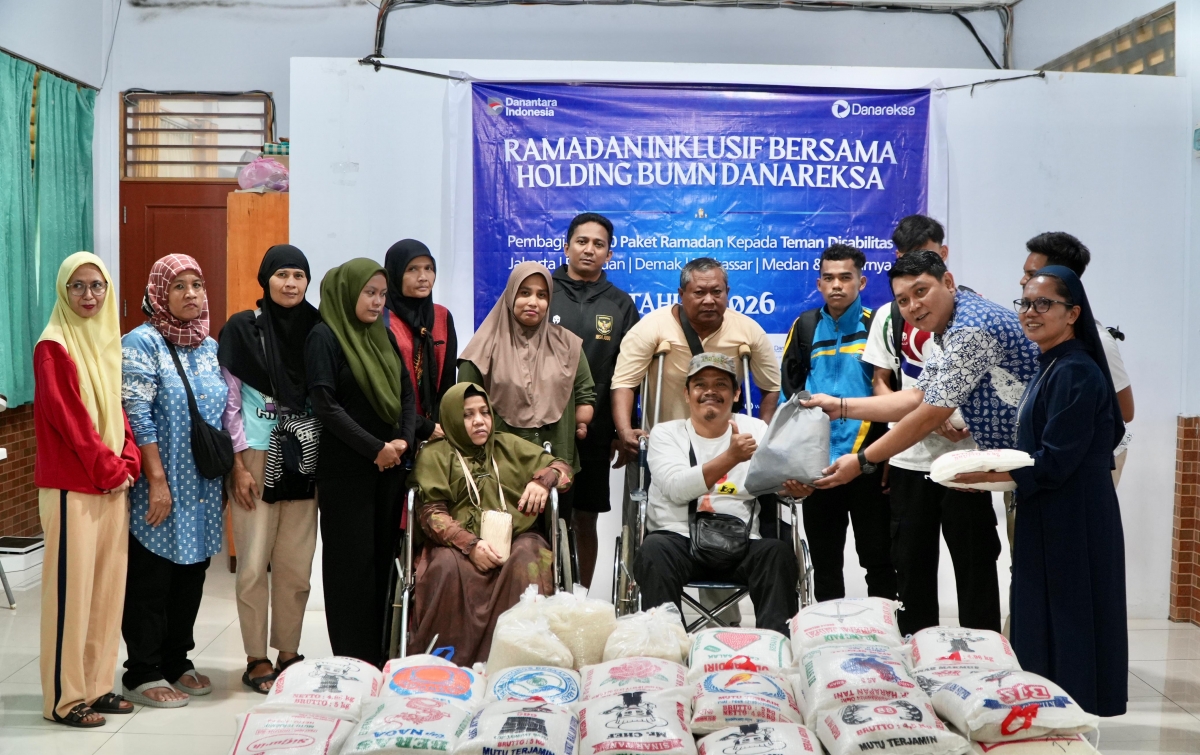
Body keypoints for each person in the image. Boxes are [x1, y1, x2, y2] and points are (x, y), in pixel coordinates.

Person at [951, 267, 1127, 717]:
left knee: (1069, 618)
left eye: (1043, 303)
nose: (1030, 313)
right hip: (1049, 509)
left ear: (1073, 313)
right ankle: (1044, 713)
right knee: (1040, 616)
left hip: (1074, 517)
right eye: (1025, 303)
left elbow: (1056, 459)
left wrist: (986, 475)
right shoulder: (1051, 364)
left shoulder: (1077, 371)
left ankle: (1068, 715)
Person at [612, 257, 782, 624]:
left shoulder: (747, 331)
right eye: (699, 292)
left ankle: (769, 649)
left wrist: (762, 441)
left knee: (775, 551)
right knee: (654, 542)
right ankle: (662, 641)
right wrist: (626, 430)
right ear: (682, 293)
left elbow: (770, 387)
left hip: (735, 526)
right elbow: (624, 382)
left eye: (716, 292)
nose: (708, 299)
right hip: (669, 445)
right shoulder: (651, 328)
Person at [860, 215, 998, 636]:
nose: (915, 301)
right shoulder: (890, 316)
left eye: (928, 259)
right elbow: (884, 382)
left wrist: (946, 417)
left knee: (976, 564)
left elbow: (981, 387)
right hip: (910, 462)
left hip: (968, 460)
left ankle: (984, 653)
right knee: (913, 566)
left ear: (945, 261)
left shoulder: (971, 314)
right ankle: (920, 653)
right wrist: (924, 422)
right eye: (907, 262)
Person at [807, 250, 1040, 495]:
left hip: (1045, 462)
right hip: (1026, 466)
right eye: (903, 301)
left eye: (921, 291)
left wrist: (863, 460)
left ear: (948, 282)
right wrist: (839, 406)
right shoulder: (948, 324)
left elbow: (931, 414)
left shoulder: (970, 328)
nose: (914, 306)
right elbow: (918, 396)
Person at [35, 253, 141, 727]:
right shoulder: (53, 346)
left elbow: (116, 411)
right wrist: (108, 467)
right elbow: (71, 422)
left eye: (96, 286)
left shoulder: (104, 341)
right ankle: (64, 698)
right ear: (63, 291)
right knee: (70, 596)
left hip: (110, 482)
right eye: (77, 287)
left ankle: (97, 687)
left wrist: (128, 459)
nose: (89, 296)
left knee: (105, 592)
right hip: (72, 485)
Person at [634, 353, 810, 634]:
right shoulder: (666, 433)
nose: (710, 392)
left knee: (776, 553)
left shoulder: (757, 429)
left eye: (721, 385)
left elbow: (778, 482)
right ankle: (667, 648)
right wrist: (730, 457)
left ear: (737, 392)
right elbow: (678, 490)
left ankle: (774, 650)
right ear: (687, 393)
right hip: (678, 540)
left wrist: (797, 490)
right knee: (653, 551)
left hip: (740, 542)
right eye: (700, 384)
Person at [120, 254, 227, 707]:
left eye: (197, 284)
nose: (190, 294)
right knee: (152, 578)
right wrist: (157, 479)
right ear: (159, 294)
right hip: (160, 484)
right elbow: (137, 414)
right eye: (178, 286)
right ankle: (141, 670)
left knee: (192, 574)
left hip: (200, 486)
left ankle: (177, 660)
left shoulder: (208, 344)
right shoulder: (140, 343)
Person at [408, 382, 573, 665]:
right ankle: (448, 663)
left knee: (529, 558)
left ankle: (523, 657)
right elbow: (431, 515)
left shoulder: (508, 446)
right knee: (444, 568)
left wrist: (544, 481)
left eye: (485, 413)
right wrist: (470, 545)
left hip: (515, 538)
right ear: (450, 418)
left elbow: (563, 468)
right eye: (468, 415)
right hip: (455, 545)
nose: (479, 421)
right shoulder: (435, 454)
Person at [218, 245, 323, 693]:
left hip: (304, 455)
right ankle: (256, 657)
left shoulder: (318, 329)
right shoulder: (242, 330)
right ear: (265, 279)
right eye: (282, 274)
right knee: (253, 564)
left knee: (296, 564)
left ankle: (289, 651)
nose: (291, 283)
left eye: (299, 275)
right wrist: (238, 465)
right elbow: (228, 402)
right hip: (256, 458)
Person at [305, 258, 416, 666]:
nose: (377, 301)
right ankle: (353, 659)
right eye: (369, 293)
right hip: (347, 471)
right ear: (347, 292)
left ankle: (381, 654)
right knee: (350, 568)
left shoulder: (381, 334)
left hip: (389, 469)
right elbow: (326, 406)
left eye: (382, 294)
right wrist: (375, 448)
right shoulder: (325, 336)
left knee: (383, 562)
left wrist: (404, 437)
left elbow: (405, 392)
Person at [779, 245, 896, 603]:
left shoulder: (879, 325)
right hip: (820, 464)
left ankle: (886, 632)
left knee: (878, 559)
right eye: (829, 278)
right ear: (818, 283)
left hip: (869, 460)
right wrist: (794, 461)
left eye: (846, 277)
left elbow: (895, 395)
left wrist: (889, 457)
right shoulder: (805, 326)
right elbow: (791, 397)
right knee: (826, 562)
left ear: (861, 280)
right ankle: (830, 638)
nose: (837, 285)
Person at [549, 213, 640, 588]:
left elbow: (630, 374)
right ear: (566, 245)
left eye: (598, 244)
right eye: (582, 241)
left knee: (585, 518)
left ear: (609, 254)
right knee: (545, 518)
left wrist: (623, 429)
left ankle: (580, 603)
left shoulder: (620, 304)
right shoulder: (542, 291)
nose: (589, 249)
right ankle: (541, 600)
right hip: (542, 430)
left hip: (596, 433)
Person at [459, 261, 595, 473]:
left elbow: (585, 396)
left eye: (542, 295)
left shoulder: (568, 344)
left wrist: (578, 421)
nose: (533, 302)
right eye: (524, 293)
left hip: (557, 465)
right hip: (501, 466)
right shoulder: (481, 350)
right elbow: (464, 409)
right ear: (511, 295)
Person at [1020, 232, 1134, 484]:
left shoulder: (1094, 344)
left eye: (1031, 274)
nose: (1023, 280)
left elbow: (1124, 411)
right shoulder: (1045, 335)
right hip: (1048, 463)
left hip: (1088, 464)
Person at [383, 239, 458, 444]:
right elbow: (383, 391)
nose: (423, 277)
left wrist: (443, 427)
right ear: (394, 273)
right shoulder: (381, 319)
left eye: (429, 268)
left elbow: (448, 382)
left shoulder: (442, 316)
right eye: (412, 269)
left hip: (438, 434)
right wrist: (421, 427)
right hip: (394, 433)